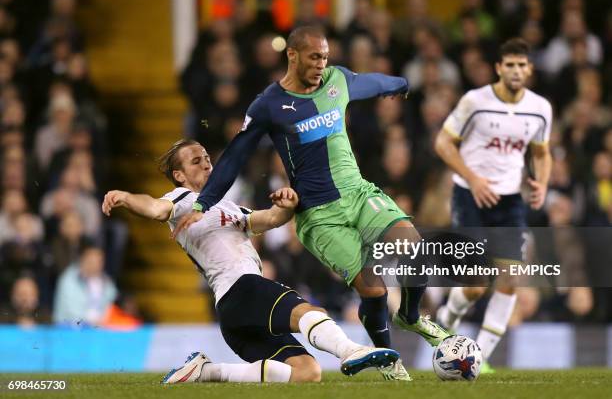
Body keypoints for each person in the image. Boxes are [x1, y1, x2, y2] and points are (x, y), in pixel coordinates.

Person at [171, 26, 450, 380]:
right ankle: (391, 363)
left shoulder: (337, 80)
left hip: (359, 193)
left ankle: (410, 316)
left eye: (325, 57)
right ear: (292, 55)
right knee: (374, 288)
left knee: (416, 250)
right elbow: (235, 156)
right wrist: (202, 204)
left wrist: (401, 83)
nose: (321, 64)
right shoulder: (268, 105)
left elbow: (371, 83)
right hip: (320, 215)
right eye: (314, 57)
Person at [102, 139, 401, 384]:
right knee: (306, 311)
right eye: (196, 161)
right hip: (241, 288)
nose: (207, 162)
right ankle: (350, 350)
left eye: (207, 157)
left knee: (307, 373)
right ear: (179, 175)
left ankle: (208, 372)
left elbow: (269, 218)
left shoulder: (227, 206)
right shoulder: (181, 199)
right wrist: (127, 197)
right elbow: (155, 208)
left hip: (234, 311)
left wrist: (287, 204)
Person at [434, 38, 552, 371]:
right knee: (475, 284)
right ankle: (446, 319)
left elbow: (542, 153)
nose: (516, 70)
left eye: (521, 64)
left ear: (529, 69)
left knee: (510, 278)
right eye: (509, 64)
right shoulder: (475, 102)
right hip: (469, 195)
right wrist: (473, 178)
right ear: (499, 68)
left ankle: (478, 357)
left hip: (510, 200)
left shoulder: (540, 108)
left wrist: (541, 182)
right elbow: (442, 142)